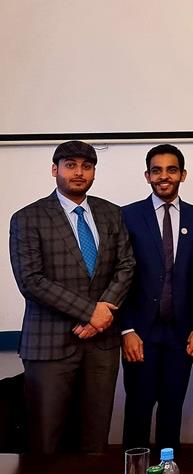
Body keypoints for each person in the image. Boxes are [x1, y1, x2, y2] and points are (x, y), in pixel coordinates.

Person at [9, 140, 135, 453]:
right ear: (55, 170)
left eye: (87, 166)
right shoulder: (28, 218)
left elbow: (126, 266)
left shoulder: (111, 213)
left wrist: (100, 318)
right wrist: (91, 312)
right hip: (49, 346)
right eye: (70, 165)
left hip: (101, 345)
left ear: (94, 172)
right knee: (46, 444)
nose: (79, 172)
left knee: (94, 443)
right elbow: (31, 280)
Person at [120, 144, 193, 450]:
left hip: (181, 333)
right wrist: (126, 329)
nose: (164, 176)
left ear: (182, 175)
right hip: (140, 334)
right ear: (147, 175)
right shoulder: (128, 216)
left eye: (171, 170)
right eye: (157, 170)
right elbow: (118, 277)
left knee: (172, 408)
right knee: (138, 408)